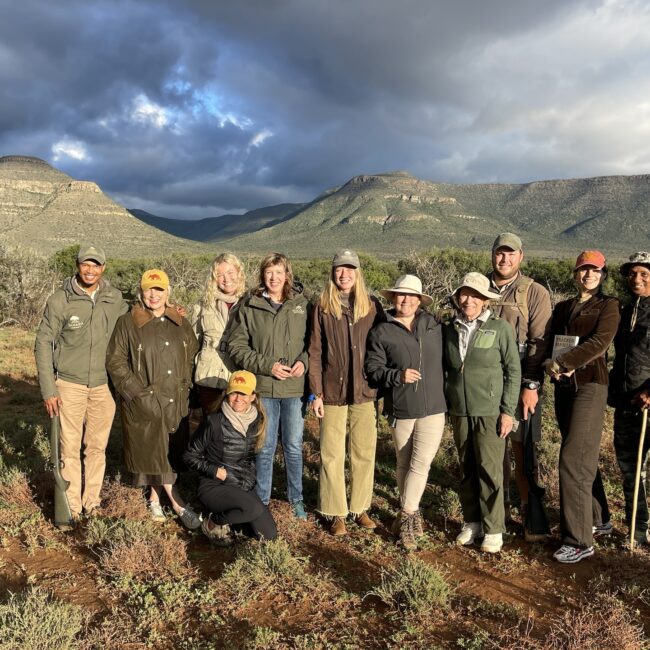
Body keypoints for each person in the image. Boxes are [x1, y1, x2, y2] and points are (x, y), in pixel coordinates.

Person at [35, 244, 128, 520]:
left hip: (103, 386)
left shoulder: (114, 298)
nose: (90, 270)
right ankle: (72, 508)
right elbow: (42, 343)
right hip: (68, 385)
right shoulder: (60, 300)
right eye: (85, 264)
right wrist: (48, 389)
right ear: (77, 266)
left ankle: (93, 503)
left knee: (97, 448)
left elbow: (137, 320)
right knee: (69, 449)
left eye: (96, 265)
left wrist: (171, 310)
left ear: (103, 268)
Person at [106, 269, 201, 529]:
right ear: (141, 291)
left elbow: (192, 354)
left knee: (167, 451)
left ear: (167, 292)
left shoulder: (180, 321)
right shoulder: (128, 322)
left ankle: (155, 497)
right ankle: (177, 502)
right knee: (154, 450)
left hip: (176, 399)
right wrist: (136, 393)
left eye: (159, 290)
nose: (154, 295)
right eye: (149, 289)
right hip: (145, 400)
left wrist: (188, 390)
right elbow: (115, 361)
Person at [544, 251, 620, 563]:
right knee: (583, 455)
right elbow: (550, 341)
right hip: (563, 387)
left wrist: (564, 362)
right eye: (583, 270)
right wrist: (550, 365)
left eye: (595, 271)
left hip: (591, 385)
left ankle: (578, 540)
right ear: (575, 274)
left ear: (603, 275)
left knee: (572, 459)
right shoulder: (562, 307)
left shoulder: (608, 306)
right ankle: (600, 519)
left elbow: (600, 343)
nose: (588, 275)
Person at [365, 275, 447, 550]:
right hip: (400, 407)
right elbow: (373, 370)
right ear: (393, 299)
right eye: (401, 295)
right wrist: (396, 375)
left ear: (420, 300)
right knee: (403, 462)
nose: (406, 300)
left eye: (412, 296)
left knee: (420, 462)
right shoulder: (382, 331)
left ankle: (408, 516)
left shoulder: (433, 324)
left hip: (434, 407)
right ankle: (410, 513)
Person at [443, 272, 521, 554]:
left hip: (490, 411)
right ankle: (472, 520)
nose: (469, 300)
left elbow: (513, 371)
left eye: (475, 295)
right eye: (464, 294)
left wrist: (507, 411)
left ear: (486, 300)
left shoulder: (500, 329)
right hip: (460, 410)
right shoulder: (449, 329)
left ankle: (494, 528)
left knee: (490, 469)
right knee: (467, 467)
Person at [228, 253, 310, 519]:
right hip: (264, 388)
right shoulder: (249, 306)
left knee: (294, 446)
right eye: (268, 272)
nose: (273, 278)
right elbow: (237, 347)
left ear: (288, 275)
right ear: (262, 275)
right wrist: (267, 365)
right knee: (264, 447)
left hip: (295, 389)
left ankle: (296, 498)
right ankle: (261, 500)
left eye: (278, 272)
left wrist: (304, 362)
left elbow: (314, 344)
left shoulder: (302, 305)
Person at [309, 249, 383, 536]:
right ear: (333, 273)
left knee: (364, 452)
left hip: (365, 390)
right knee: (331, 453)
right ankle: (335, 511)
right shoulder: (323, 306)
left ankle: (360, 507)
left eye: (350, 269)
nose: (344, 274)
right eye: (340, 269)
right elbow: (315, 352)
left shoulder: (372, 306)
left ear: (358, 273)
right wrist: (316, 392)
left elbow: (384, 345)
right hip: (332, 391)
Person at [488, 233, 552, 538]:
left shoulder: (534, 292)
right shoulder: (478, 287)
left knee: (523, 448)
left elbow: (540, 342)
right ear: (492, 255)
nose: (505, 259)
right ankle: (497, 510)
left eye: (511, 254)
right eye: (500, 253)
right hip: (486, 385)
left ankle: (530, 510)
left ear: (520, 257)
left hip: (521, 383)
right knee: (492, 449)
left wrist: (531, 385)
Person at [183, 370, 277, 545]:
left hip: (240, 484)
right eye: (234, 392)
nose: (238, 398)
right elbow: (189, 456)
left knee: (268, 535)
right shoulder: (214, 422)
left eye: (243, 393)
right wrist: (215, 471)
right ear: (227, 393)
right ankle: (213, 522)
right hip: (214, 485)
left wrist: (249, 478)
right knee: (253, 508)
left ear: (253, 397)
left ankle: (233, 519)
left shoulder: (257, 421)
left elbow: (249, 459)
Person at [608, 252, 650, 546]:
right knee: (631, 470)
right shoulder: (622, 311)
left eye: (644, 274)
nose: (637, 279)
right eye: (632, 274)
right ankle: (638, 529)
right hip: (625, 403)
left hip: (648, 401)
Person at [190, 253, 247, 418]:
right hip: (208, 377)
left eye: (230, 273)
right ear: (214, 277)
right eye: (220, 274)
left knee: (235, 428)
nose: (226, 279)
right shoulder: (203, 305)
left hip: (238, 376)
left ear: (239, 273)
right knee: (211, 427)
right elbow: (194, 342)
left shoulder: (250, 303)